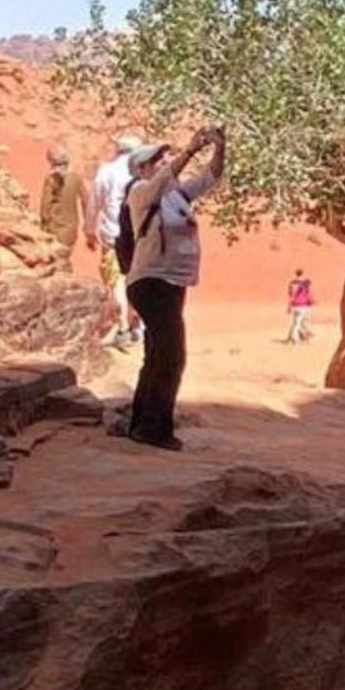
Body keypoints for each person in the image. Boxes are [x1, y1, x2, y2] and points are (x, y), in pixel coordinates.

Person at [115, 125, 226, 450]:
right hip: (151, 281)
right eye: (156, 160)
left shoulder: (177, 196)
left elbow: (211, 177)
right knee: (172, 355)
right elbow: (166, 177)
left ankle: (141, 423)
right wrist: (190, 149)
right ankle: (154, 429)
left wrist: (220, 147)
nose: (164, 163)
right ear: (142, 169)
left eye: (165, 157)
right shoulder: (139, 192)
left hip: (172, 282)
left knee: (158, 354)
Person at [86, 133, 144, 348]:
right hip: (143, 238)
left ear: (118, 149)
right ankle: (136, 325)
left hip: (114, 236)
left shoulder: (107, 172)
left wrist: (89, 230)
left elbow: (95, 203)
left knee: (117, 280)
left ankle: (122, 328)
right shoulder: (145, 174)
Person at [37, 144, 86, 250]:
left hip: (54, 229)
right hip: (71, 230)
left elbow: (45, 206)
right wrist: (87, 224)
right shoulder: (76, 177)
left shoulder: (51, 179)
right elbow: (86, 201)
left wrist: (42, 226)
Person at [284, 268, 315, 344]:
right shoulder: (306, 283)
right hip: (303, 305)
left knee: (297, 322)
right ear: (302, 273)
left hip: (294, 305)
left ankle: (294, 337)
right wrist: (311, 301)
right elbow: (308, 294)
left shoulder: (292, 283)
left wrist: (289, 305)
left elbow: (290, 295)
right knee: (299, 323)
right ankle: (296, 339)